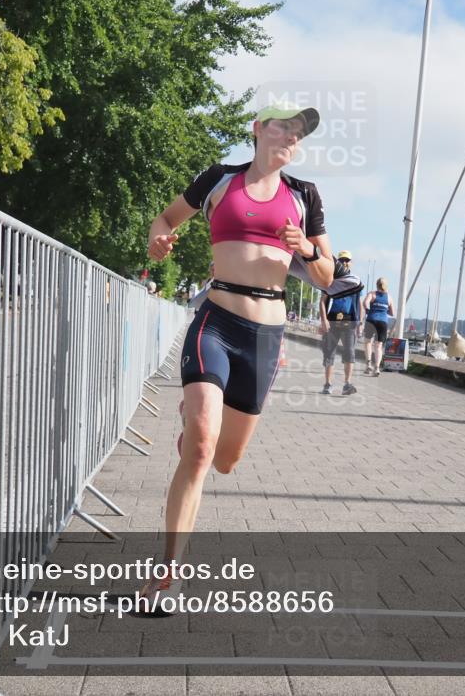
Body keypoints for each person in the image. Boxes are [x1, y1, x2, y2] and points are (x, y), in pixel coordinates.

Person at [142, 101, 334, 611]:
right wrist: (157, 239)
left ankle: (199, 425)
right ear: (257, 130)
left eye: (299, 134)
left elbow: (327, 277)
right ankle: (167, 575)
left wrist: (308, 251)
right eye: (284, 127)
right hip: (217, 321)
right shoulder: (220, 179)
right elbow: (165, 217)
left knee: (225, 461)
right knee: (201, 451)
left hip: (266, 337)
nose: (292, 138)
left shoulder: (304, 196)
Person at [319, 250, 362, 395]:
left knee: (349, 353)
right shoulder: (330, 280)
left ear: (351, 262)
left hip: (349, 322)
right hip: (332, 321)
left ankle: (347, 384)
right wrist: (323, 320)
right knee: (329, 353)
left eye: (347, 260)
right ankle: (327, 384)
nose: (344, 262)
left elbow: (360, 303)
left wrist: (360, 322)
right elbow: (322, 301)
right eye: (342, 260)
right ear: (338, 262)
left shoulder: (355, 281)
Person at [362, 277, 394, 376]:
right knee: (378, 346)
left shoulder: (372, 294)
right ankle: (377, 368)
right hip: (383, 322)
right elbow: (392, 313)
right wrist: (384, 310)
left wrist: (368, 310)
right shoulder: (389, 297)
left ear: (377, 285)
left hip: (371, 320)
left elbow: (365, 303)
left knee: (368, 342)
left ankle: (368, 364)